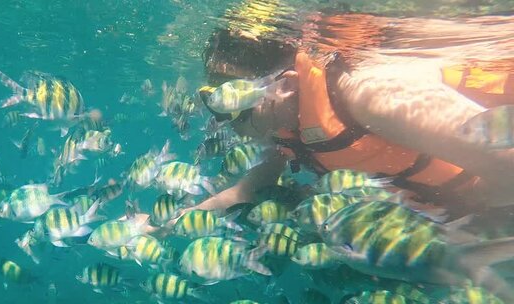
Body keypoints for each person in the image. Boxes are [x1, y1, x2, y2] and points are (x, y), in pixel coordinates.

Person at [195, 12, 514, 215]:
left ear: (286, 84)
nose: (226, 124)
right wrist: (152, 227)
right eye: (220, 105)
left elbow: (507, 162)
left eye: (235, 108)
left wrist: (474, 207)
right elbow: (244, 191)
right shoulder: (284, 121)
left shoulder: (374, 97)